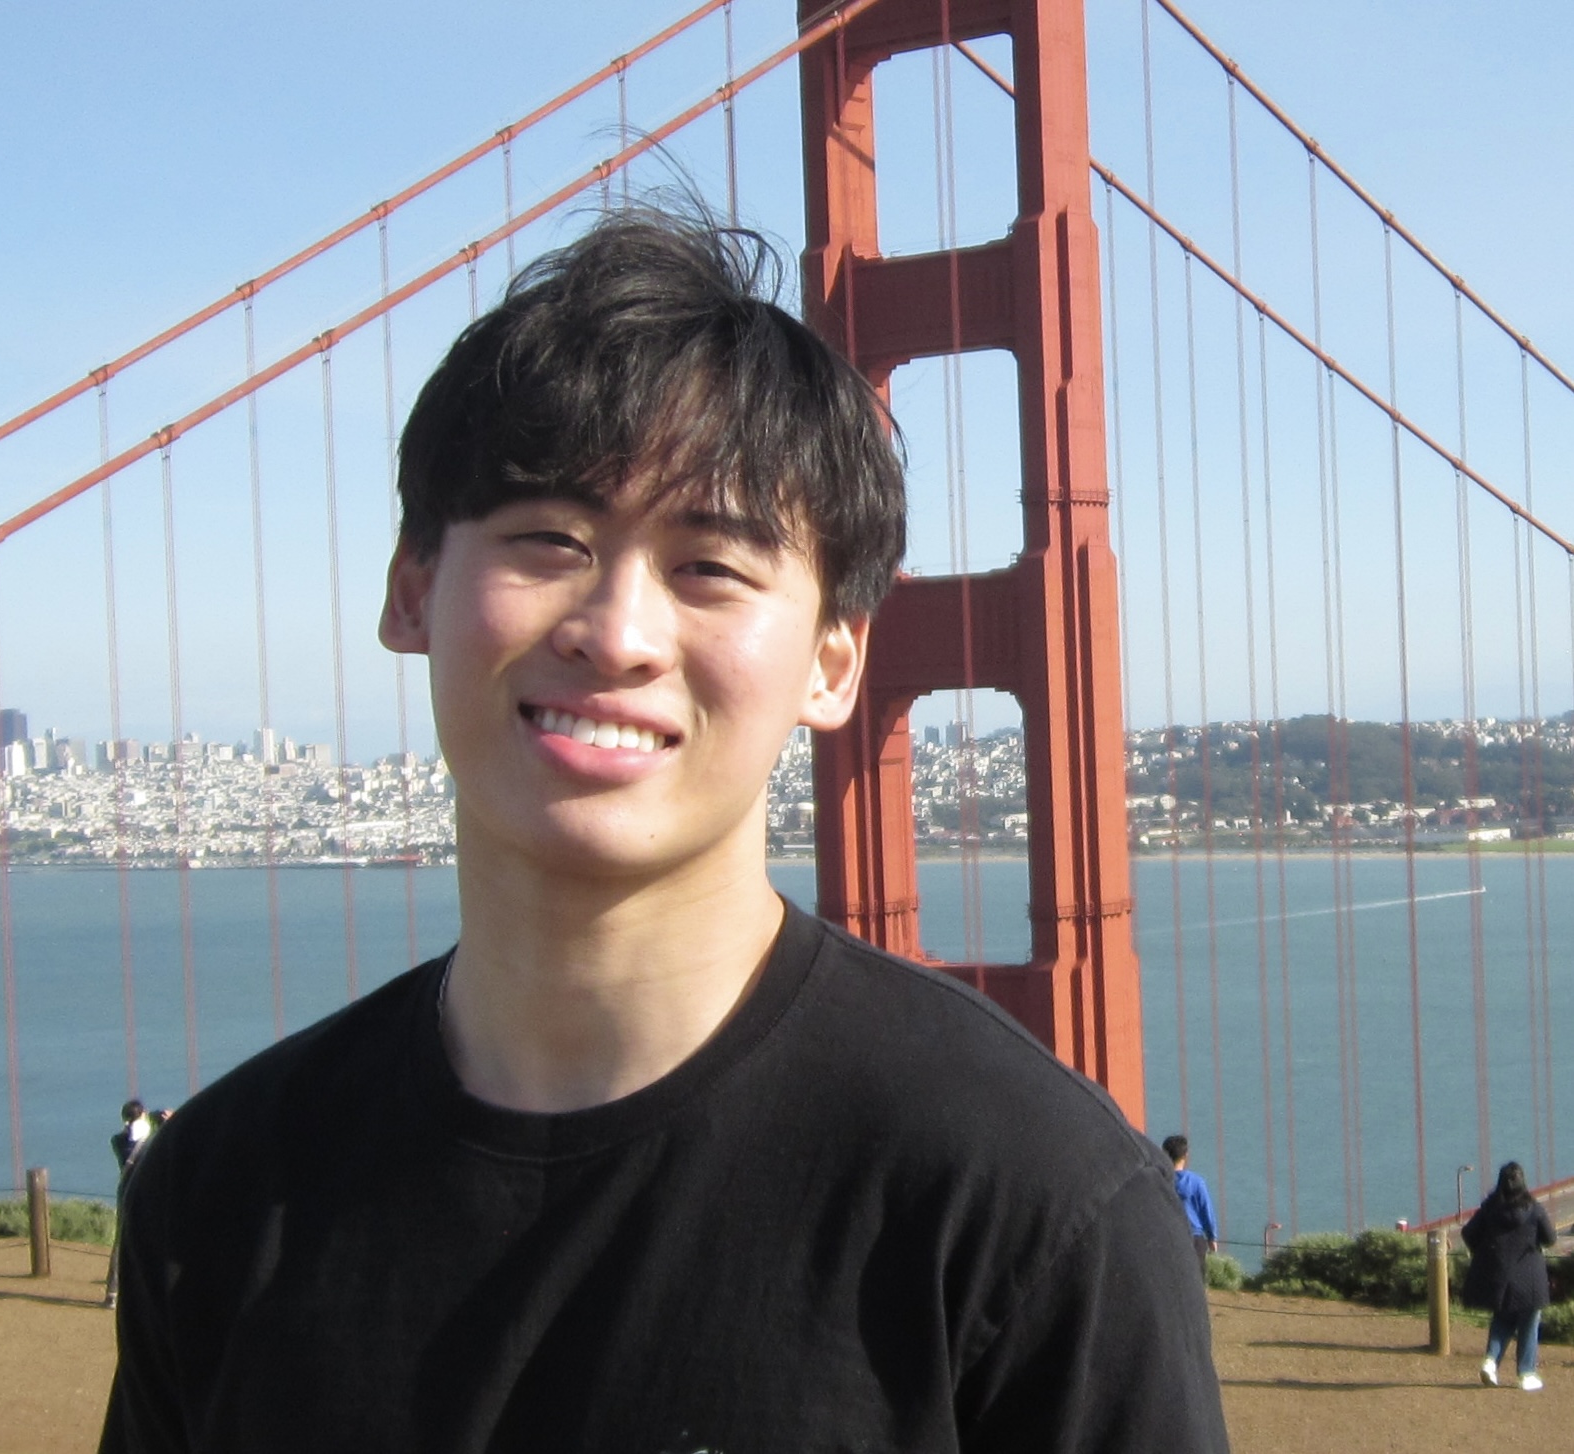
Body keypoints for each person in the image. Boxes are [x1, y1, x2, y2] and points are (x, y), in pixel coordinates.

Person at [100, 205, 1229, 1451]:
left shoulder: (1028, 1208)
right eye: (547, 539)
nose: (617, 631)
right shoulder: (216, 1194)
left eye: (711, 568)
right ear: (411, 589)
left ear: (834, 662)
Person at [1462, 1160, 1557, 1391]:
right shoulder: (1534, 1209)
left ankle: (1490, 1362)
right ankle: (1526, 1373)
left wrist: (1484, 1252)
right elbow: (1551, 1238)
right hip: (1530, 1277)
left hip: (1499, 1277)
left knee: (1502, 1320)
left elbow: (1468, 1233)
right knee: (1529, 1323)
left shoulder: (1489, 1208)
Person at [103, 1099, 168, 1310]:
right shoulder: (152, 1138)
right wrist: (163, 1121)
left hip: (127, 1192)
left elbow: (131, 1134)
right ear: (142, 1116)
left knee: (121, 1243)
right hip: (150, 1193)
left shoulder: (118, 1140)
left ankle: (112, 1292)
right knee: (155, 1241)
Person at [1163, 1133, 1220, 1274]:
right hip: (1194, 1237)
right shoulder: (1196, 1182)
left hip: (1166, 1235)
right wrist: (1212, 1237)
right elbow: (1206, 1210)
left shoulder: (1159, 1179)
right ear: (1185, 1155)